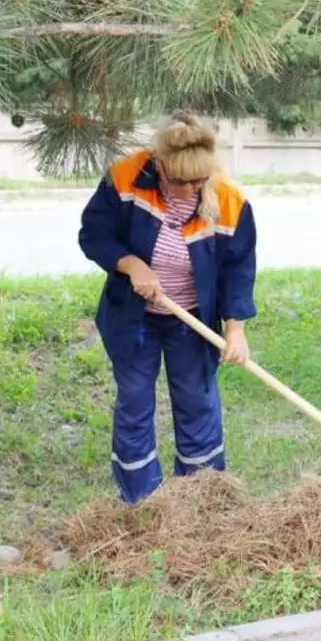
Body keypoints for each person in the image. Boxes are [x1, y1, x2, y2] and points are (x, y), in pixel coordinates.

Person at [78, 110, 258, 504]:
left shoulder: (230, 201)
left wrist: (236, 328)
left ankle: (199, 496)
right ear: (158, 164)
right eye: (179, 181)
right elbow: (94, 234)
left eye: (199, 180)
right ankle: (140, 500)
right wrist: (131, 263)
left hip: (191, 320)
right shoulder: (125, 177)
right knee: (136, 400)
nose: (190, 189)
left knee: (197, 400)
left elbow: (238, 268)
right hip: (133, 316)